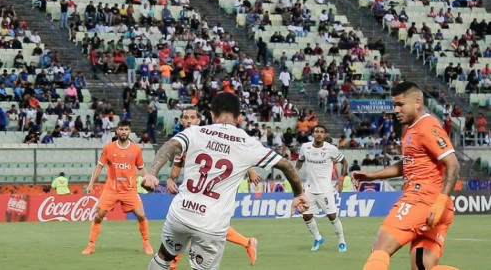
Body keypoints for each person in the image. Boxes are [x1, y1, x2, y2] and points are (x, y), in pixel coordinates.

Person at [141, 93, 309, 270]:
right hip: (211, 224)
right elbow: (287, 166)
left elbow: (170, 145)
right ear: (239, 118)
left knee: (163, 258)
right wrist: (298, 193)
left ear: (212, 114)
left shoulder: (194, 132)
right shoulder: (249, 143)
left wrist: (152, 173)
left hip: (181, 214)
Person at [353, 81, 461, 270]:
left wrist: (440, 201)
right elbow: (409, 164)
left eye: (400, 104)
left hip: (423, 200)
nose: (396, 110)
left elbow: (453, 163)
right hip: (434, 205)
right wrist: (373, 176)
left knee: (380, 249)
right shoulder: (410, 128)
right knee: (422, 266)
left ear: (417, 103)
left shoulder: (427, 126)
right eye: (394, 105)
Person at [165, 107, 259, 269]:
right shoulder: (183, 142)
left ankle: (173, 262)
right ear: (181, 121)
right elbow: (177, 166)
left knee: (198, 224)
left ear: (198, 121)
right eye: (185, 117)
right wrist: (170, 179)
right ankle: (247, 242)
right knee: (203, 224)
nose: (188, 120)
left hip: (217, 190)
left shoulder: (208, 136)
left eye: (192, 117)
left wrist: (250, 170)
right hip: (198, 191)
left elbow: (234, 151)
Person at [81, 119, 153, 255]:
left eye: (126, 129)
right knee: (98, 216)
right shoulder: (109, 148)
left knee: (141, 215)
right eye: (121, 129)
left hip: (129, 190)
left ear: (130, 132)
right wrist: (91, 183)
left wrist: (147, 180)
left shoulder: (136, 149)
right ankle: (90, 246)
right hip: (111, 189)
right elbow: (99, 166)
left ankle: (146, 243)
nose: (124, 132)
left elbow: (141, 168)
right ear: (117, 131)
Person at [296, 124, 349, 252]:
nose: (319, 134)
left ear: (325, 135)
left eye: (322, 132)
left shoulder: (331, 149)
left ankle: (342, 241)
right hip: (309, 189)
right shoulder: (305, 147)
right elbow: (300, 160)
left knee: (332, 216)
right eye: (316, 132)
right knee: (306, 215)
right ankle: (318, 238)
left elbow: (345, 162)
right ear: (313, 134)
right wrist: (294, 172)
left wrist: (341, 180)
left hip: (325, 189)